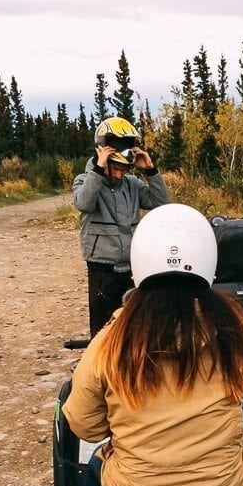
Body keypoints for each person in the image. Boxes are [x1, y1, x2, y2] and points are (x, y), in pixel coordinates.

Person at [62, 203, 243, 486]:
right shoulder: (232, 328)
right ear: (208, 261)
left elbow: (85, 426)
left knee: (96, 467)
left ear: (139, 263)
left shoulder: (112, 337)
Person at [72, 116, 169, 338]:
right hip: (102, 268)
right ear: (104, 158)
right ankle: (101, 368)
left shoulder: (132, 185)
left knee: (134, 325)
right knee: (104, 329)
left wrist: (151, 171)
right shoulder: (85, 181)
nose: (121, 172)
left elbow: (161, 204)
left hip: (132, 267)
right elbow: (84, 203)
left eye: (125, 168)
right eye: (116, 167)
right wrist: (98, 170)